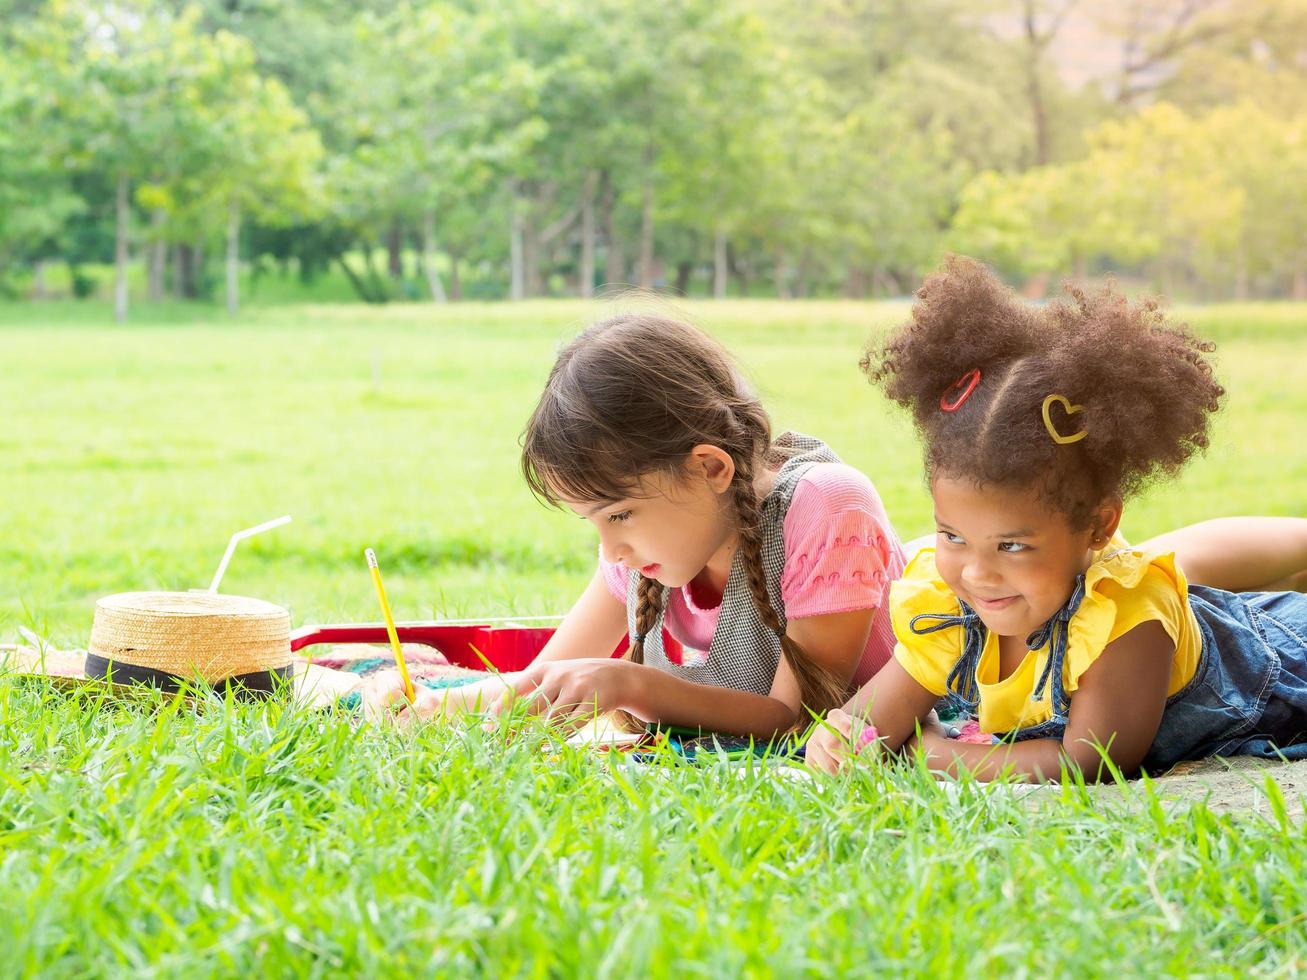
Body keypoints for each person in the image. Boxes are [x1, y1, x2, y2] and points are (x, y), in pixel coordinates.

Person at [806, 257, 1307, 781]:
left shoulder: (1124, 622)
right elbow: (866, 723)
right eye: (953, 536)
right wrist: (840, 738)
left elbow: (1089, 760)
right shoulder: (950, 605)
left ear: (1098, 526)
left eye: (1012, 546)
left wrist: (933, 754)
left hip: (1283, 667)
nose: (976, 573)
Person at [367, 312, 906, 736]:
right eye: (593, 522)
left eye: (620, 514)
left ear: (710, 467)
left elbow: (792, 717)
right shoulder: (646, 549)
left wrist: (629, 683)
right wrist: (445, 702)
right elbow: (549, 679)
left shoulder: (828, 508)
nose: (611, 549)